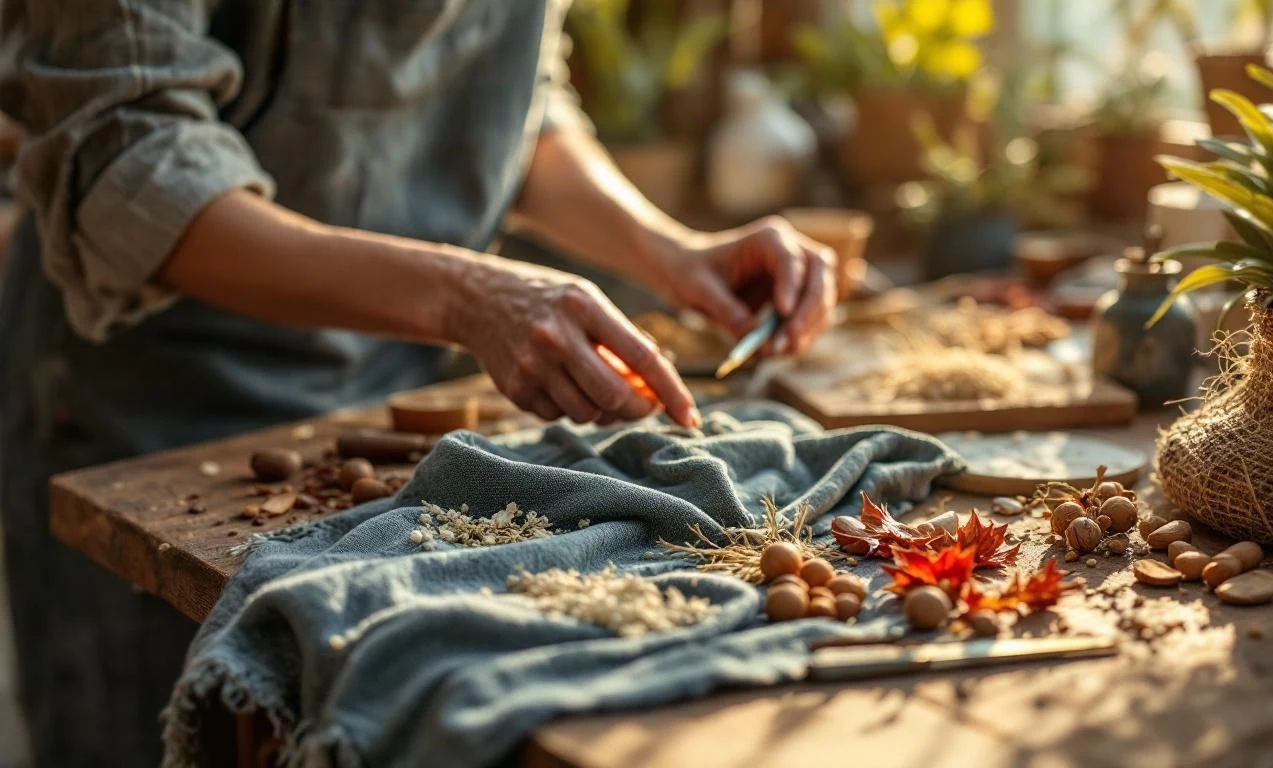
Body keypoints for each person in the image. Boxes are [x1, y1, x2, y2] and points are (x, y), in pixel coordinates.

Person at [0, 0, 836, 764]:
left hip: (383, 412)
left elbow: (519, 104)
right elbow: (129, 165)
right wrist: (464, 296)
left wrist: (673, 253)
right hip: (154, 401)